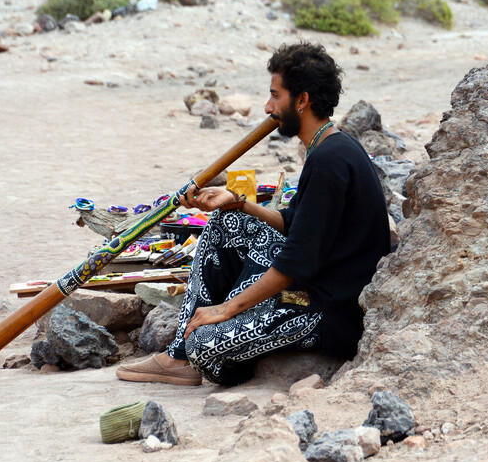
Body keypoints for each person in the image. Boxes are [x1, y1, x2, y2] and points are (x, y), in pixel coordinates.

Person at [116, 41, 391, 387]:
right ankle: (177, 357)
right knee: (226, 222)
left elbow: (296, 262)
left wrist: (227, 309)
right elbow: (294, 225)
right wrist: (237, 202)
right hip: (312, 283)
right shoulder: (327, 146)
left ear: (302, 100)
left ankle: (196, 351)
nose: (268, 107)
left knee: (203, 344)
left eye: (276, 96)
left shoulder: (330, 160)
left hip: (328, 309)